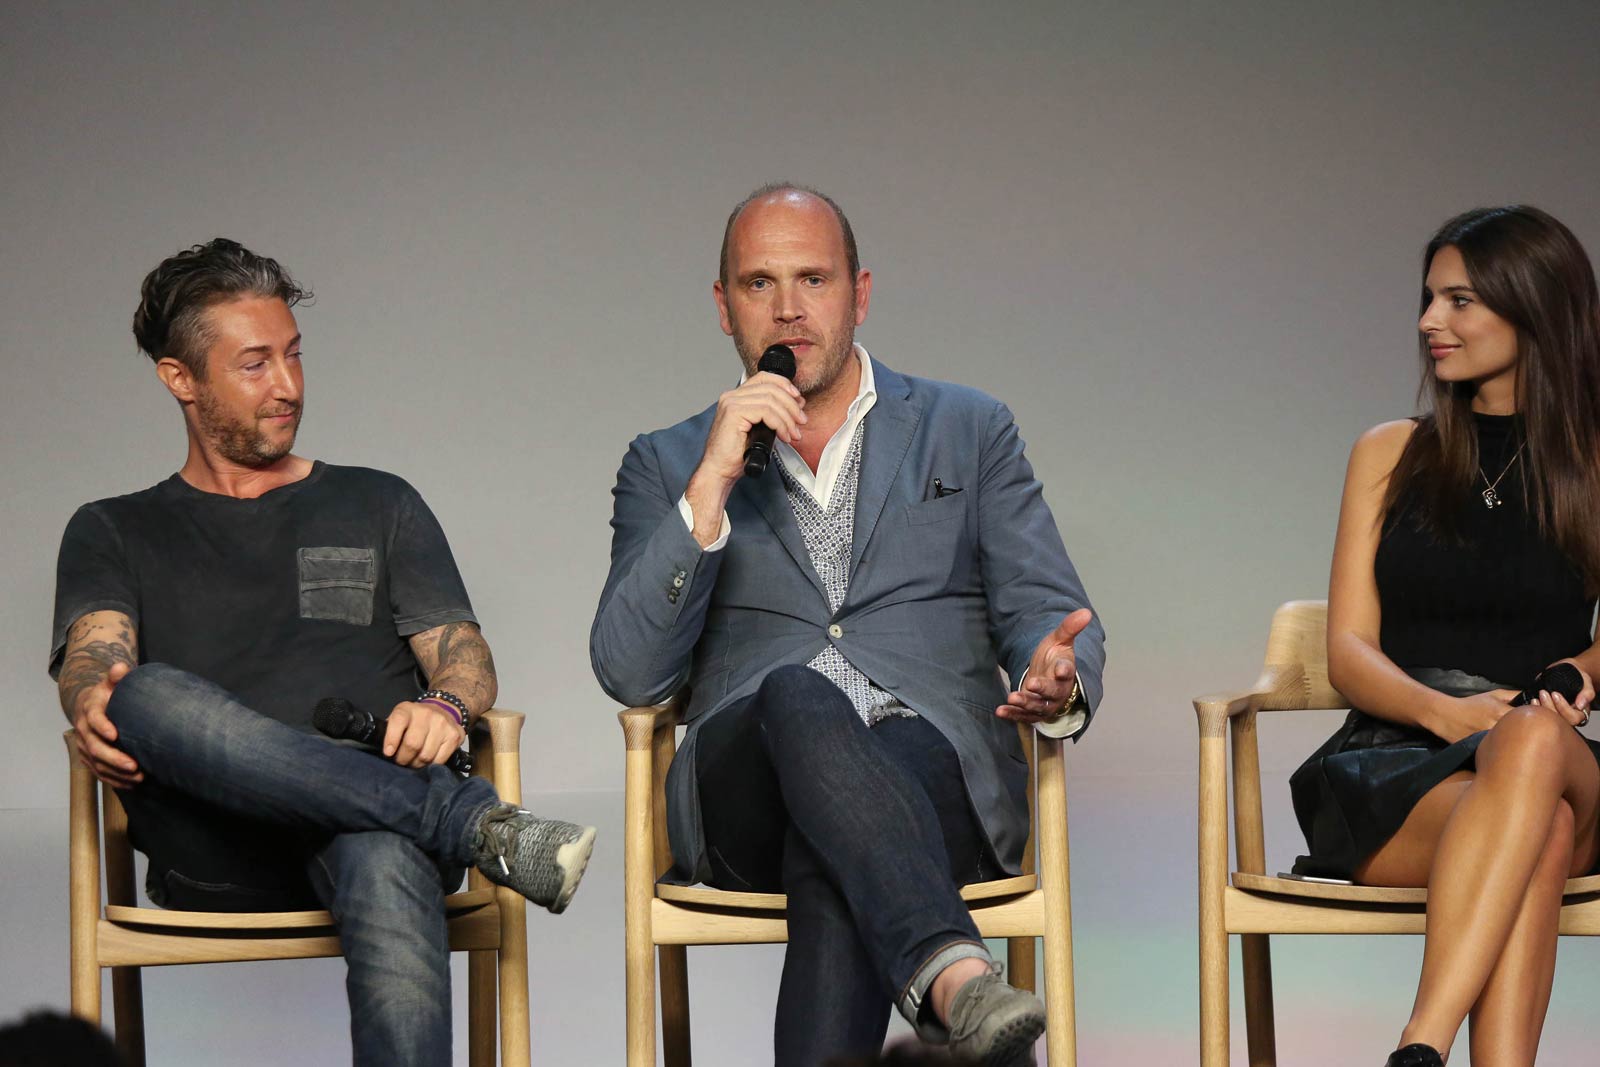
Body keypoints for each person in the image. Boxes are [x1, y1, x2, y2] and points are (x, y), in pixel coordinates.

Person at [590, 184, 1105, 1066]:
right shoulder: (668, 459)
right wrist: (711, 484)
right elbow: (630, 669)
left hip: (937, 771)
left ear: (859, 294)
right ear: (723, 307)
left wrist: (1056, 676)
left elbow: (1051, 615)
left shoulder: (969, 429)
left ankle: (952, 976)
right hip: (744, 788)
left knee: (841, 843)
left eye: (813, 280)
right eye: (759, 283)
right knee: (798, 690)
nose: (788, 309)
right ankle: (953, 974)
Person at [52, 239, 596, 1067]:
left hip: (366, 832)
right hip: (214, 842)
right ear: (181, 379)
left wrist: (444, 705)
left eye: (295, 356)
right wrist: (93, 701)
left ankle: (432, 817)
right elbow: (97, 668)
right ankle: (467, 820)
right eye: (256, 364)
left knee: (382, 847)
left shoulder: (379, 500)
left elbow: (467, 659)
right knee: (142, 695)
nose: (290, 386)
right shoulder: (113, 527)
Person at [1289, 206, 1600, 1067]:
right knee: (1533, 833)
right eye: (1429, 298)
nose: (1431, 321)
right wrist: (1449, 714)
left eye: (1460, 300)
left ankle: (1419, 1041)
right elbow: (1351, 649)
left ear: (1534, 306)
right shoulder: (1391, 453)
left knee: (1532, 746)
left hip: (1550, 749)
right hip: (1398, 768)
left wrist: (1583, 665)